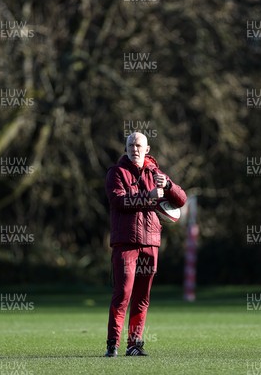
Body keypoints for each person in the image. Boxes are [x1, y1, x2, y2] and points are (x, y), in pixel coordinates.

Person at [104, 132, 186, 357]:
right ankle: (113, 344)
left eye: (139, 145)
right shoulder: (116, 172)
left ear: (147, 149)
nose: (135, 148)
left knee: (142, 297)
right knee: (123, 293)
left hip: (150, 241)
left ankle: (134, 345)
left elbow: (181, 200)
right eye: (130, 145)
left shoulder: (155, 172)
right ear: (126, 148)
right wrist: (149, 197)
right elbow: (119, 201)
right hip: (125, 242)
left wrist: (168, 185)